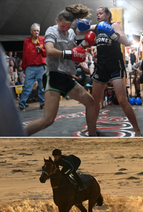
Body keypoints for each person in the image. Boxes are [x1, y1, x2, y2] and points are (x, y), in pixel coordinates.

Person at [24, 5, 97, 136]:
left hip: (66, 76)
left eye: (68, 27)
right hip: (54, 75)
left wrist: (85, 45)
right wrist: (69, 54)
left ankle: (93, 136)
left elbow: (75, 53)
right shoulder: (51, 31)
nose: (65, 29)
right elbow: (50, 51)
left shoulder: (71, 33)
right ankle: (16, 135)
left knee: (90, 102)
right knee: (48, 120)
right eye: (63, 26)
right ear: (57, 20)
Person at [78, 6, 142, 137]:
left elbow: (126, 42)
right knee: (95, 101)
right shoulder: (96, 27)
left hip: (115, 65)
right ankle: (91, 127)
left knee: (122, 100)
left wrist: (111, 33)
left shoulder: (114, 26)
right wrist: (83, 25)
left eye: (101, 13)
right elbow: (78, 31)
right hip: (101, 66)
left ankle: (137, 129)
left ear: (108, 15)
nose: (98, 15)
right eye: (97, 14)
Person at [19, 23, 46, 111]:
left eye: (37, 30)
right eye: (34, 30)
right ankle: (22, 105)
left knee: (41, 87)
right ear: (31, 31)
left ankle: (42, 104)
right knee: (27, 87)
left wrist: (42, 50)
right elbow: (24, 55)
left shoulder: (42, 39)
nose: (36, 32)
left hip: (41, 67)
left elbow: (46, 53)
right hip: (30, 67)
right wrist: (23, 67)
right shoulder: (27, 41)